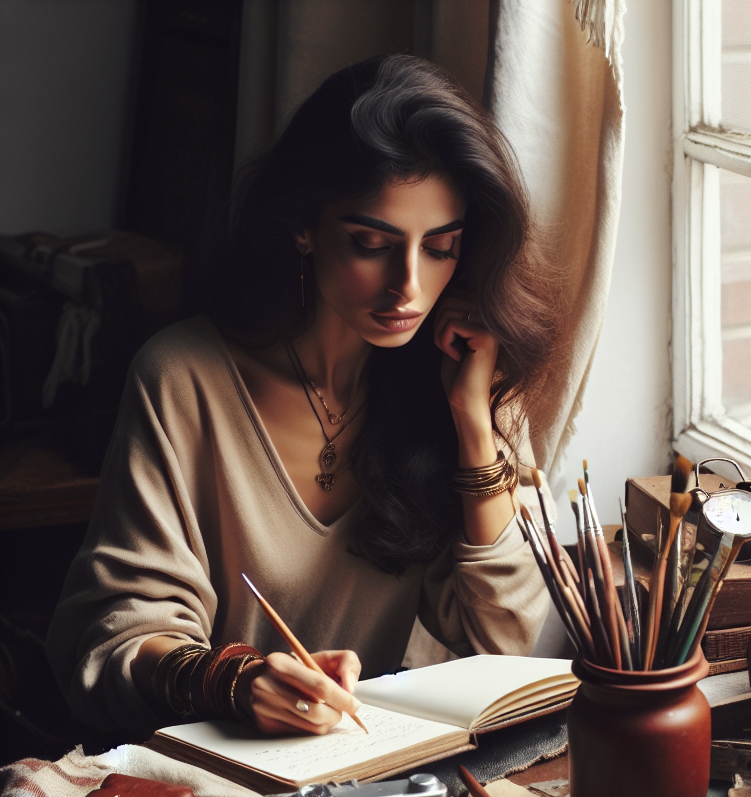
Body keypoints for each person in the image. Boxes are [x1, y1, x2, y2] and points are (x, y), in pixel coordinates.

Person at [46, 54, 560, 740]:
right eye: (371, 243)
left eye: (440, 248)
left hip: (369, 767)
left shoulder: (468, 378)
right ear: (303, 227)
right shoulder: (183, 378)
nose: (408, 286)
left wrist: (473, 423)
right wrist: (234, 681)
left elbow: (505, 641)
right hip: (210, 767)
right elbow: (113, 639)